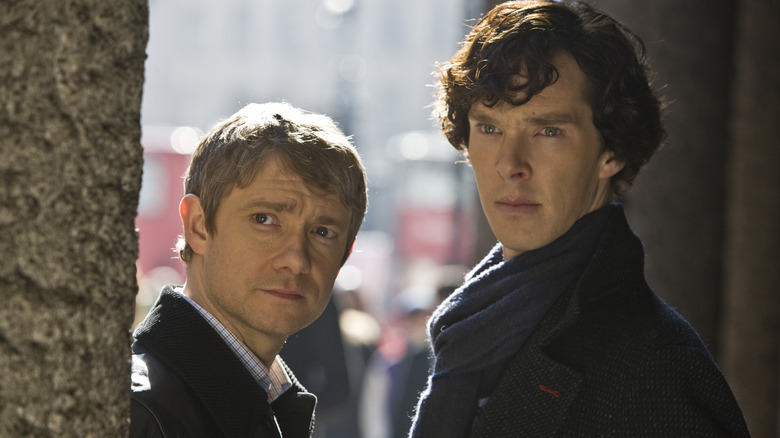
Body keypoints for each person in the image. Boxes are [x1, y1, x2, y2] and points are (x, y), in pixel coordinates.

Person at [409, 1, 750, 437]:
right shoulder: (472, 326)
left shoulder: (659, 368)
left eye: (548, 131)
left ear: (613, 151)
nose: (509, 164)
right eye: (490, 128)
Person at [130, 102, 368, 438]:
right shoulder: (137, 412)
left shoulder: (271, 397)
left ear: (345, 253)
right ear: (198, 225)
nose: (296, 259)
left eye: (323, 232)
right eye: (264, 219)